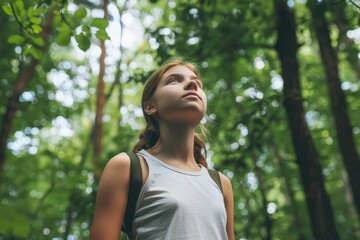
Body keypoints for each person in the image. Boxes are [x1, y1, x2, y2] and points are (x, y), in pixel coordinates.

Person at [90, 58, 235, 240]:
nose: (192, 84)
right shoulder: (128, 167)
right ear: (150, 107)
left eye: (197, 83)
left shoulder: (222, 184)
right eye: (174, 80)